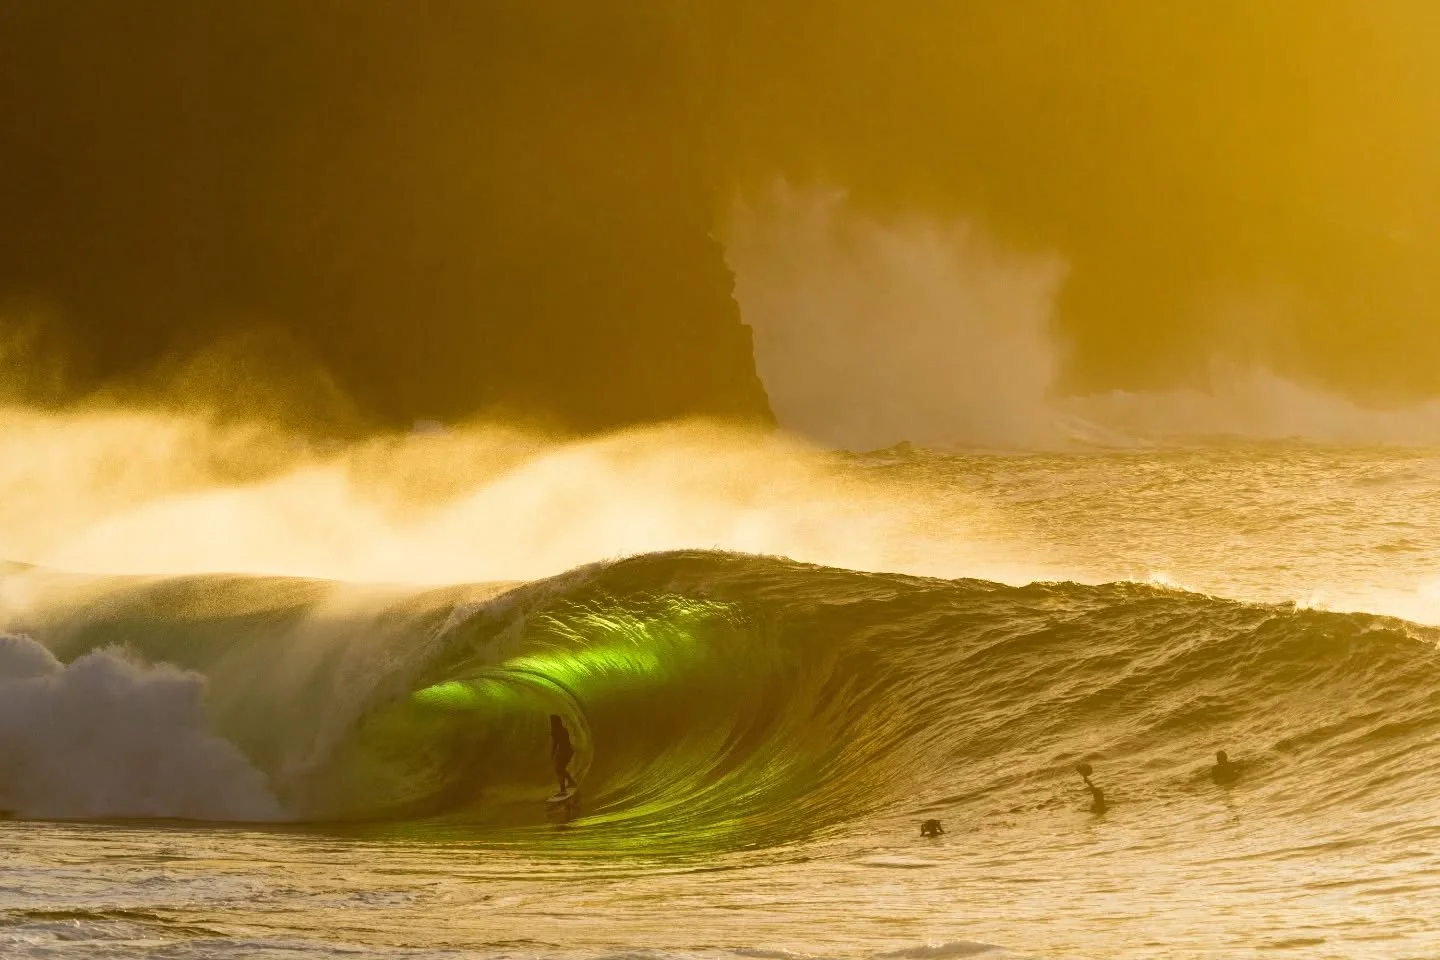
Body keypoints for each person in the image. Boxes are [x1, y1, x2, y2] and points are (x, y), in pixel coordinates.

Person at [549, 714, 577, 795]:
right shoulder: (564, 729)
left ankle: (563, 790)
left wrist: (552, 754)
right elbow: (565, 742)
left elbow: (555, 744)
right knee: (561, 769)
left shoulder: (554, 731)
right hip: (569, 751)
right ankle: (571, 782)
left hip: (563, 752)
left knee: (559, 770)